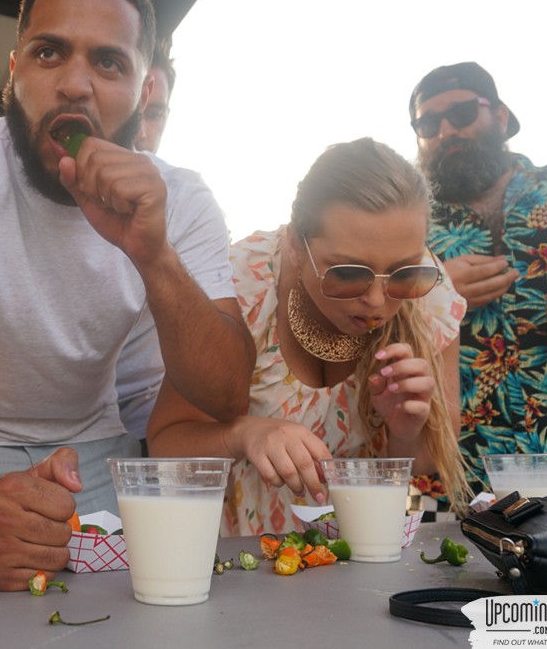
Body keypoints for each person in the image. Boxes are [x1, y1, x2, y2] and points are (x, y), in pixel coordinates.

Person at [0, 0, 255, 591]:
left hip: (104, 454)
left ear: (142, 88)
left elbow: (227, 392)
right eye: (49, 53)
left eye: (108, 62)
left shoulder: (183, 199)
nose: (75, 83)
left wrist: (154, 257)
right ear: (14, 71)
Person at [148, 138, 470, 536]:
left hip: (356, 552)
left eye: (402, 273)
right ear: (295, 245)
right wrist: (242, 434)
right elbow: (164, 446)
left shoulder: (430, 295)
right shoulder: (239, 288)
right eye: (348, 272)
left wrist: (405, 433)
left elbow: (422, 461)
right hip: (237, 564)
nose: (376, 301)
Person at [409, 62, 547, 507]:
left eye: (463, 113)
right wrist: (434, 293)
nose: (446, 130)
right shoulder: (406, 223)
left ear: (502, 117)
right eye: (428, 123)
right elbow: (358, 329)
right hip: (453, 487)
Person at [117, 38, 177, 449]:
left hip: (150, 432)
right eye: (135, 112)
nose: (140, 131)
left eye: (154, 115)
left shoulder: (187, 202)